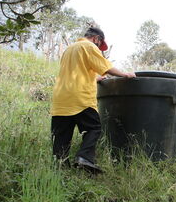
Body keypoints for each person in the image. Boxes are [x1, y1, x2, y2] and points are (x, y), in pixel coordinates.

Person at [50, 27, 135, 173]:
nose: (99, 48)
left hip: (61, 99)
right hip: (80, 97)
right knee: (93, 128)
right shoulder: (88, 46)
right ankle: (85, 158)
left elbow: (74, 72)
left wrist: (95, 78)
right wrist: (125, 74)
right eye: (99, 45)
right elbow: (105, 66)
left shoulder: (69, 49)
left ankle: (59, 169)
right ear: (96, 38)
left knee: (61, 136)